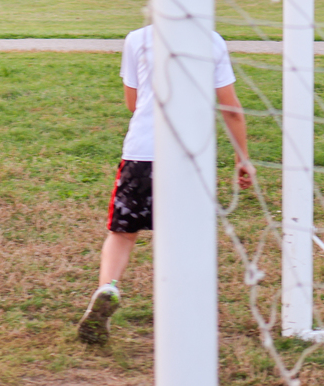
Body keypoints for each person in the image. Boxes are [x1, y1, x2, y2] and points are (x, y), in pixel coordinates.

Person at [76, 27, 255, 345]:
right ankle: (187, 313)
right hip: (189, 160)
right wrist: (243, 157)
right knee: (186, 240)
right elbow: (230, 107)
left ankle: (107, 288)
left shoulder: (137, 39)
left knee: (122, 234)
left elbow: (132, 103)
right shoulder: (211, 41)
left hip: (141, 154)